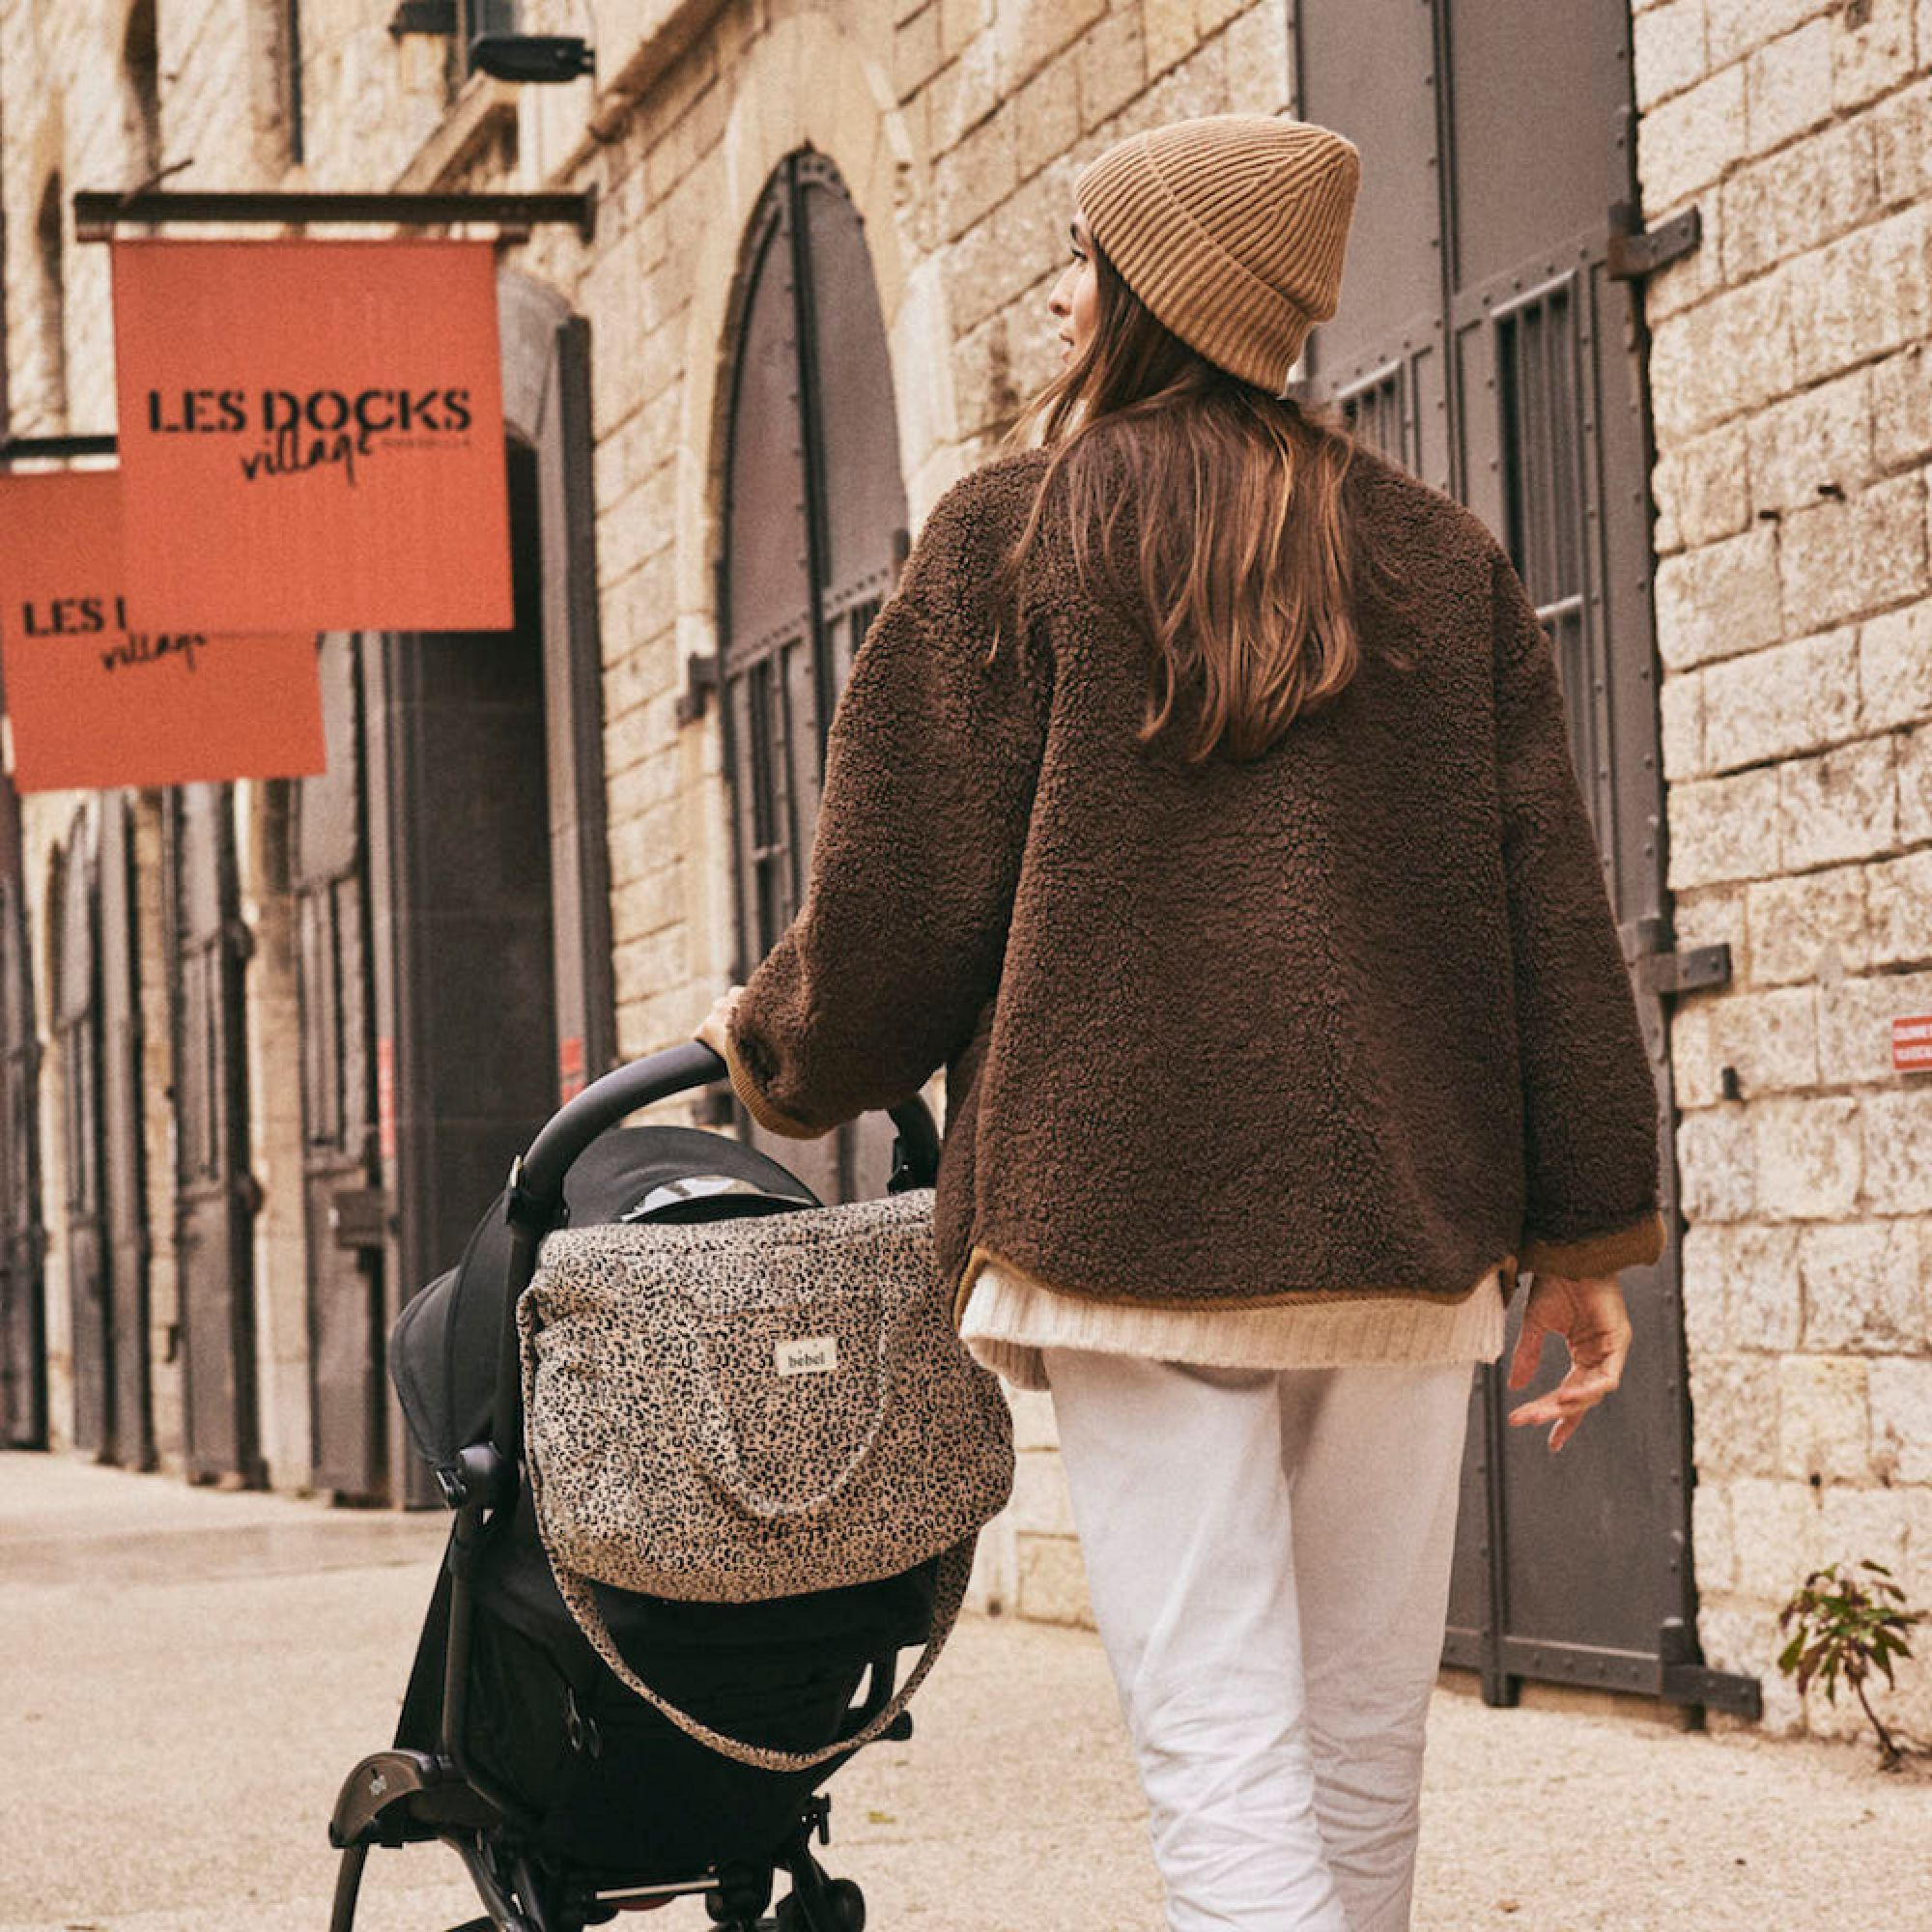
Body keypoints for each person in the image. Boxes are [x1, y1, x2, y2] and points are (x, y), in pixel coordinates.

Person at [697, 112, 1662, 1932]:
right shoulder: (1442, 562)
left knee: (1217, 1733)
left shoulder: (1014, 536)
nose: (1060, 293)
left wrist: (781, 1050)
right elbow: (1550, 914)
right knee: (1362, 1726)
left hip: (1128, 1214)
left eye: (1087, 257)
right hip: (1404, 1225)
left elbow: (904, 886)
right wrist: (1587, 1228)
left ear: (1160, 292)